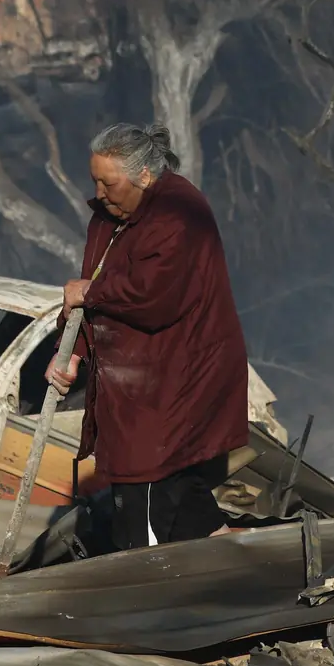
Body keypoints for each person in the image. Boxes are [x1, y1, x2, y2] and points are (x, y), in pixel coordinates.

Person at [46, 123, 249, 552]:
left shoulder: (179, 214)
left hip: (176, 379)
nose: (99, 193)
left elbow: (154, 293)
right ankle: (227, 567)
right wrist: (74, 351)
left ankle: (145, 592)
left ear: (144, 176)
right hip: (134, 385)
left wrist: (89, 292)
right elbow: (90, 291)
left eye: (109, 182)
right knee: (175, 489)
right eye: (95, 181)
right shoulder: (110, 218)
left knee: (146, 485)